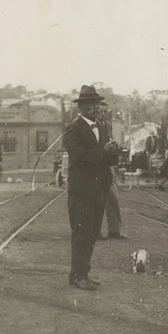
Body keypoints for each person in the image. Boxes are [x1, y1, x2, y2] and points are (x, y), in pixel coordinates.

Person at [63, 85, 121, 290]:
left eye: (98, 103)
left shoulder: (101, 126)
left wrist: (114, 152)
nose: (97, 107)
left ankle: (81, 274)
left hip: (99, 190)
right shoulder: (73, 129)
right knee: (82, 234)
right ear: (82, 107)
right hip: (82, 191)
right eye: (92, 104)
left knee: (92, 234)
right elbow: (81, 157)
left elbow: (105, 157)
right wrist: (103, 150)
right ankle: (78, 276)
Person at [97, 101, 127, 240]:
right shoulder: (91, 126)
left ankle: (114, 230)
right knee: (96, 200)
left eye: (105, 112)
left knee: (113, 198)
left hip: (108, 166)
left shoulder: (108, 125)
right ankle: (95, 231)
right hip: (96, 166)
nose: (102, 114)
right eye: (100, 111)